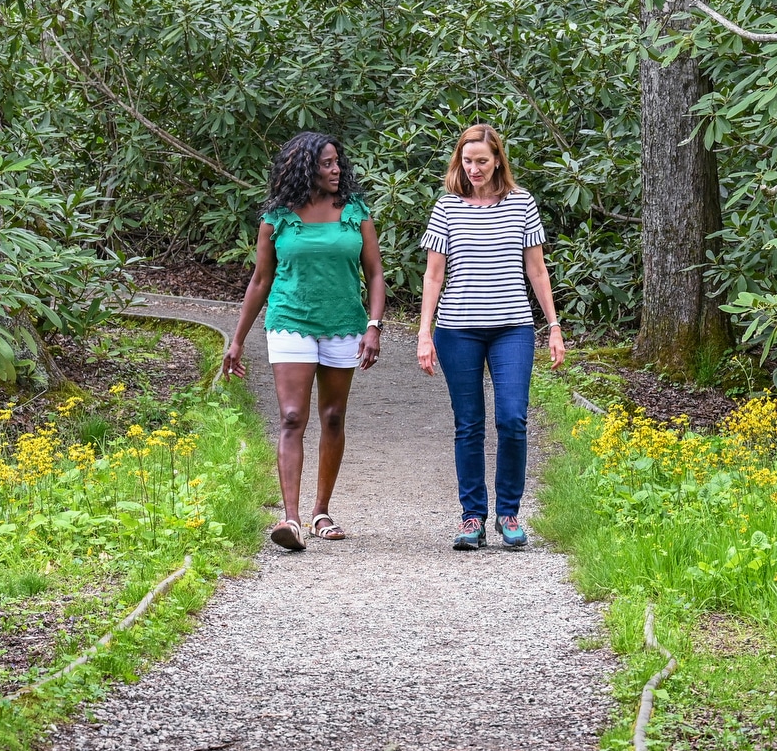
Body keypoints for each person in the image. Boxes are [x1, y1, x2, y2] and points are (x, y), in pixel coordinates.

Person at [223, 132, 385, 552]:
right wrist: (237, 340)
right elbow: (260, 280)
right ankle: (290, 519)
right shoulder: (277, 217)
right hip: (290, 322)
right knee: (293, 416)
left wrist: (374, 326)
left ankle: (320, 512)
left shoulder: (355, 211)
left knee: (332, 417)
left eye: (337, 162)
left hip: (344, 324)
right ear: (304, 167)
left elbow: (375, 275)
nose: (337, 170)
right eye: (327, 163)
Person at [416, 124, 565, 551]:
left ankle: (509, 512)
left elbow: (536, 269)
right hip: (457, 330)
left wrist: (553, 326)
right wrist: (424, 333)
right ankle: (472, 517)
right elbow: (433, 275)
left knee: (513, 419)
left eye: (482, 160)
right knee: (469, 425)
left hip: (512, 329)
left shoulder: (522, 204)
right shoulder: (447, 208)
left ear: (498, 159)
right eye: (467, 161)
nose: (474, 168)